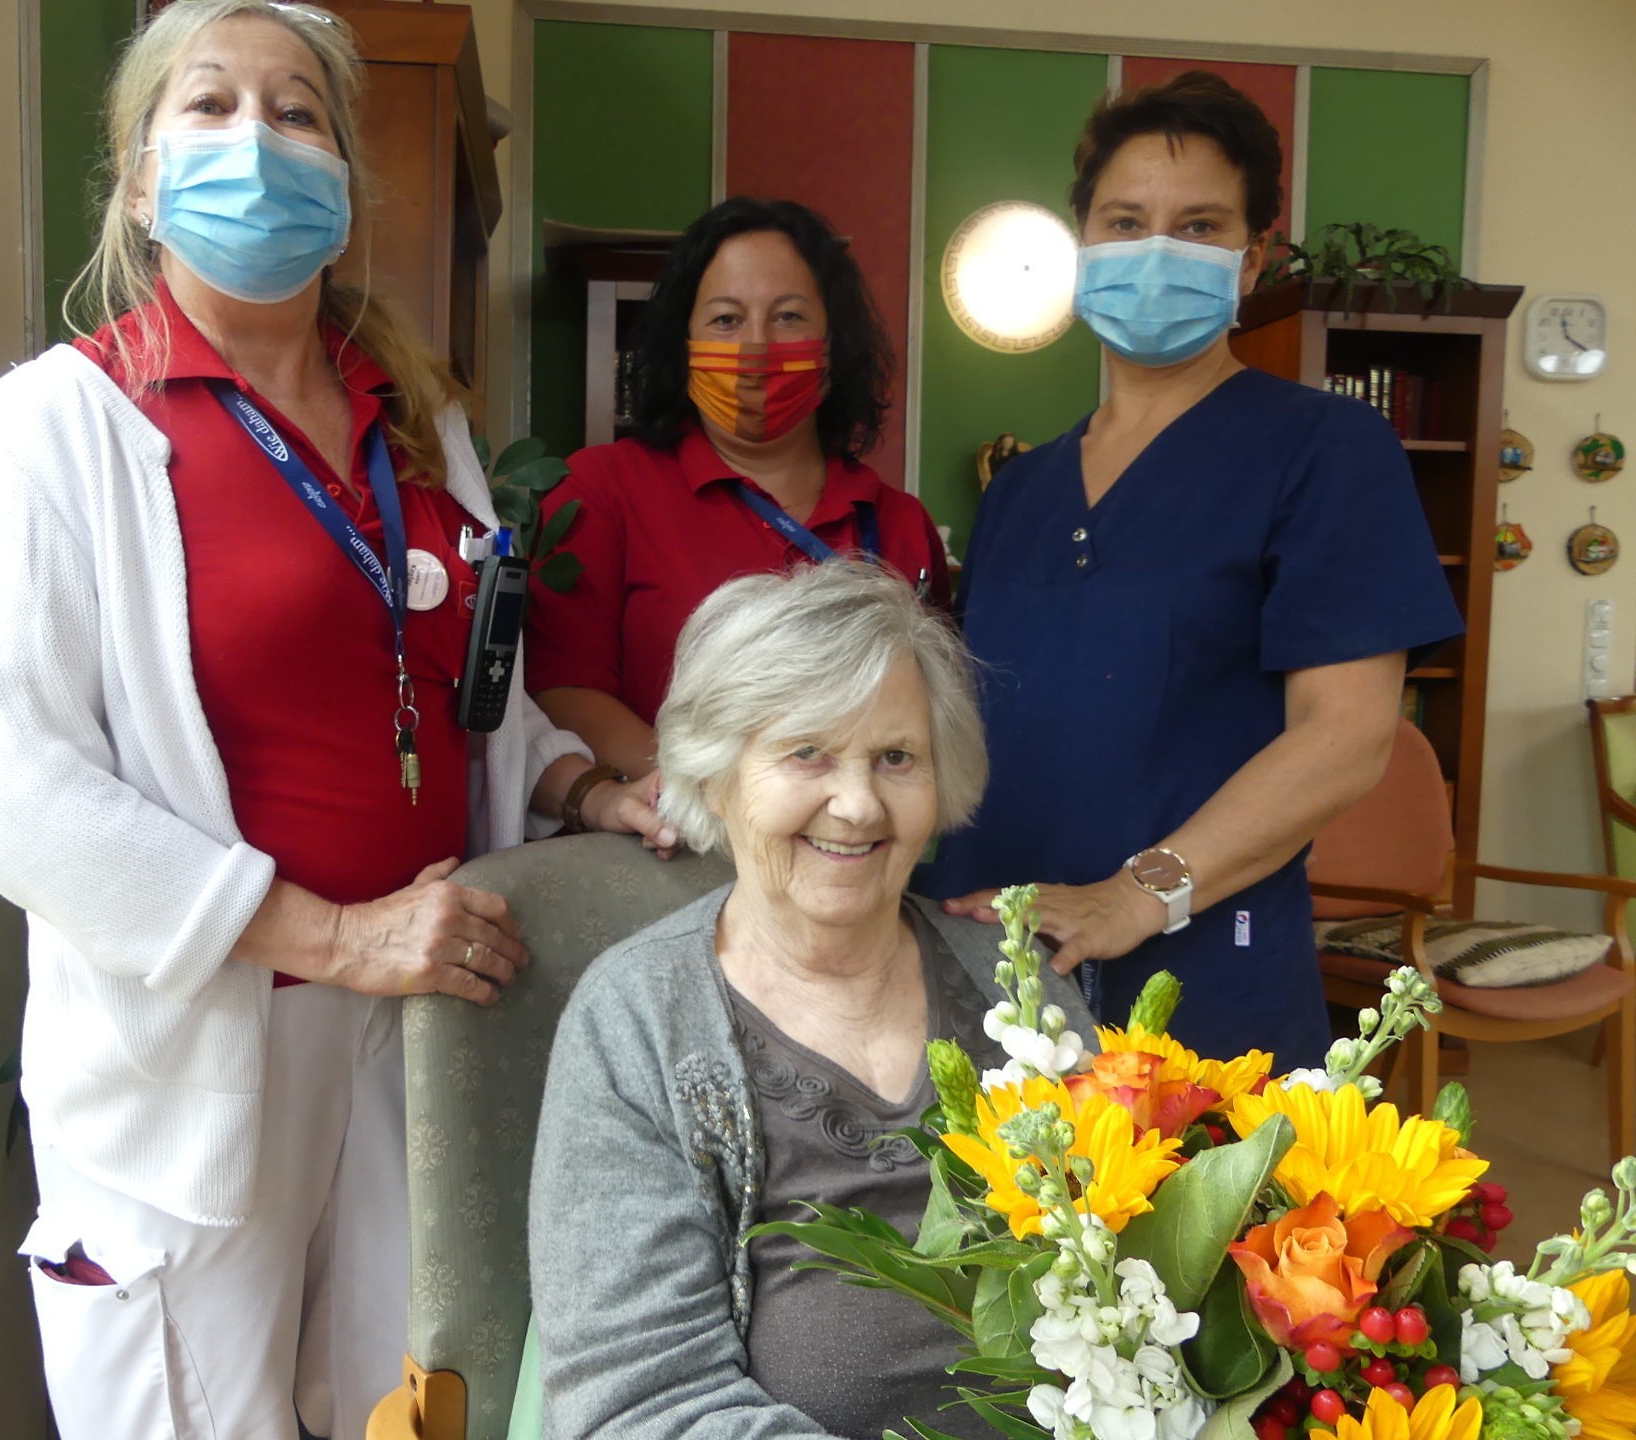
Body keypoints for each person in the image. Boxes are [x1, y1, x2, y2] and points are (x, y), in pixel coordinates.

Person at [0, 3, 671, 1434]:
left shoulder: (419, 426)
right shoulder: (59, 429)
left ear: (343, 180)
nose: (256, 142)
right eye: (209, 107)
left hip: (417, 1017)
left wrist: (585, 789)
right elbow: (19, 796)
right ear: (138, 182)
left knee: (406, 1399)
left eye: (296, 112)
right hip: (205, 1045)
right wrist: (335, 937)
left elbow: (470, 698)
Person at [921, 72, 1463, 1069]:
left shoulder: (1325, 452)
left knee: (1189, 1169)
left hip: (1199, 965)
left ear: (1250, 260)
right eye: (1125, 222)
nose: (1155, 252)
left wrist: (1141, 892)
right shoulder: (1022, 489)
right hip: (984, 946)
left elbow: (1346, 736)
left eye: (1199, 226)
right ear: (1083, 247)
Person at [528, 562, 1094, 1439]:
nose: (859, 804)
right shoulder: (637, 1022)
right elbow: (639, 1405)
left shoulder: (1017, 981)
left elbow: (1140, 1277)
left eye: (896, 758)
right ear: (716, 777)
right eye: (807, 753)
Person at [524, 197, 952, 780]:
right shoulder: (600, 489)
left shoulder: (901, 523)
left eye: (789, 317)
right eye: (726, 320)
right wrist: (717, 801)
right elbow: (563, 690)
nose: (756, 348)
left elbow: (930, 723)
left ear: (834, 347)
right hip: (666, 827)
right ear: (683, 345)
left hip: (853, 825)